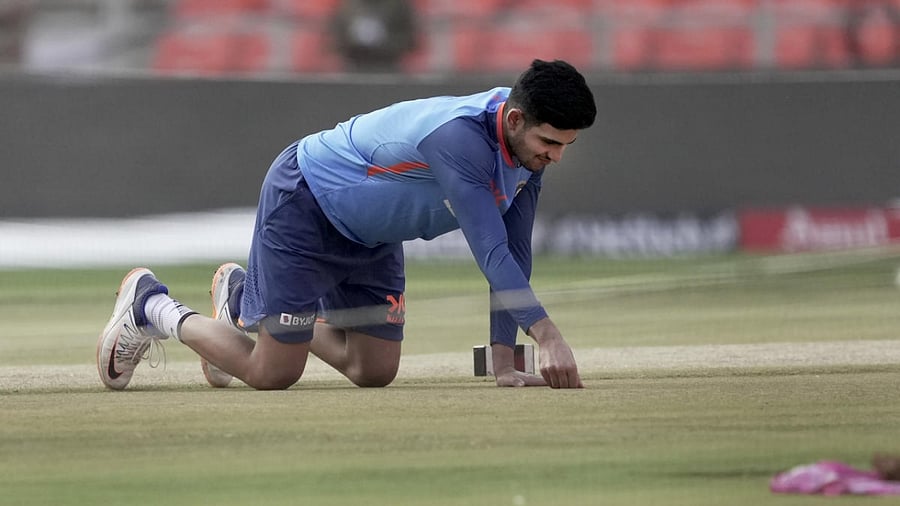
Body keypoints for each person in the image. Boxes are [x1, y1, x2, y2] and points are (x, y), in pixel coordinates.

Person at [97, 59, 596, 391]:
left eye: (565, 147)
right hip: (307, 203)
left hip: (373, 236)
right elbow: (490, 251)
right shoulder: (461, 140)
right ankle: (150, 306)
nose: (555, 157)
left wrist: (505, 361)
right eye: (550, 143)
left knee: (373, 370)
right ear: (515, 119)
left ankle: (245, 300)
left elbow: (516, 251)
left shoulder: (526, 153)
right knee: (273, 373)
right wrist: (548, 336)